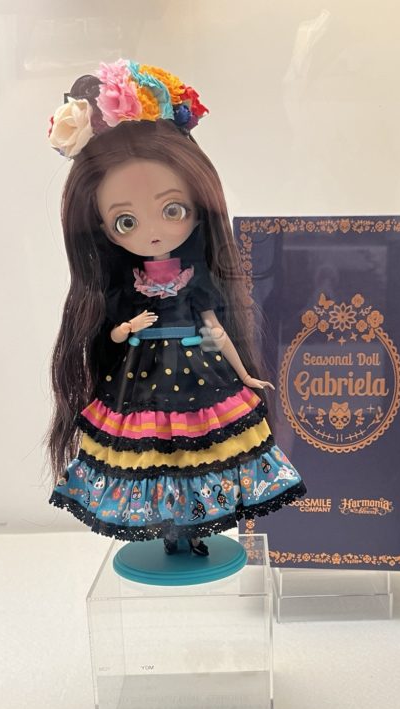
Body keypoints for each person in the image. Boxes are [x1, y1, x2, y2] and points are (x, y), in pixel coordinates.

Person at [47, 61, 305, 554]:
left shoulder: (197, 281)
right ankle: (169, 531)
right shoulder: (124, 287)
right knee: (153, 452)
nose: (153, 232)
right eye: (125, 221)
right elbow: (113, 334)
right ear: (101, 228)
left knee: (200, 450)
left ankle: (193, 527)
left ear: (198, 206)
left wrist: (245, 377)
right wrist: (128, 327)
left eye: (173, 210)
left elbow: (217, 330)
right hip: (140, 374)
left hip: (198, 370)